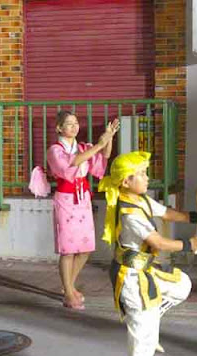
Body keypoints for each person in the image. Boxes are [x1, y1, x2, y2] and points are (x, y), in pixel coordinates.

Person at [98, 151, 197, 356]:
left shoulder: (141, 200)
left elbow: (167, 213)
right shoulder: (129, 213)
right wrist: (189, 245)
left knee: (182, 285)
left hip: (145, 271)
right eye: (143, 174)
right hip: (132, 277)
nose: (147, 178)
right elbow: (158, 242)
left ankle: (152, 319)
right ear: (125, 182)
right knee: (142, 338)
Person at [47, 111, 119, 310]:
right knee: (68, 250)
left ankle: (68, 285)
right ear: (59, 128)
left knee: (85, 248)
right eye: (69, 124)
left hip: (82, 199)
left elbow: (103, 156)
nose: (74, 127)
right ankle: (69, 292)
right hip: (65, 200)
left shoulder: (83, 147)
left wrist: (109, 138)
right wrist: (99, 144)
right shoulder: (55, 150)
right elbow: (73, 162)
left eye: (76, 123)